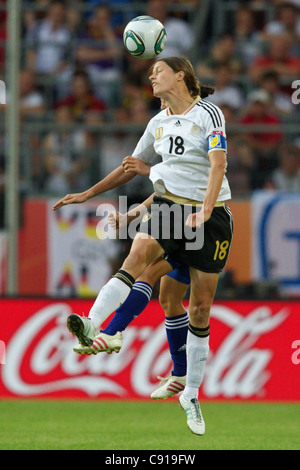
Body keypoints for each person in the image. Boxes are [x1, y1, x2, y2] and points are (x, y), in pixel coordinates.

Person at [53, 57, 233, 436]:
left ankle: (191, 391)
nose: (151, 76)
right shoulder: (158, 123)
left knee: (196, 306)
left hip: (210, 218)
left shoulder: (208, 114)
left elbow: (218, 166)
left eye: (158, 71)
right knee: (139, 259)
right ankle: (95, 323)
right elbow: (131, 167)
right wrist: (88, 193)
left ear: (180, 75)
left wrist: (202, 211)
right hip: (171, 211)